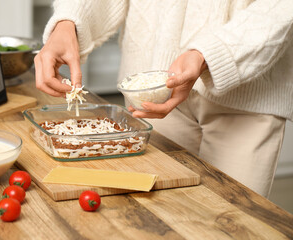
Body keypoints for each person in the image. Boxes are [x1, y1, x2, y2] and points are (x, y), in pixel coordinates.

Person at [34, 0, 293, 198]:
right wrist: (69, 22)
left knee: (235, 224)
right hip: (152, 88)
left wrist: (211, 54)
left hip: (247, 92)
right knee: (152, 219)